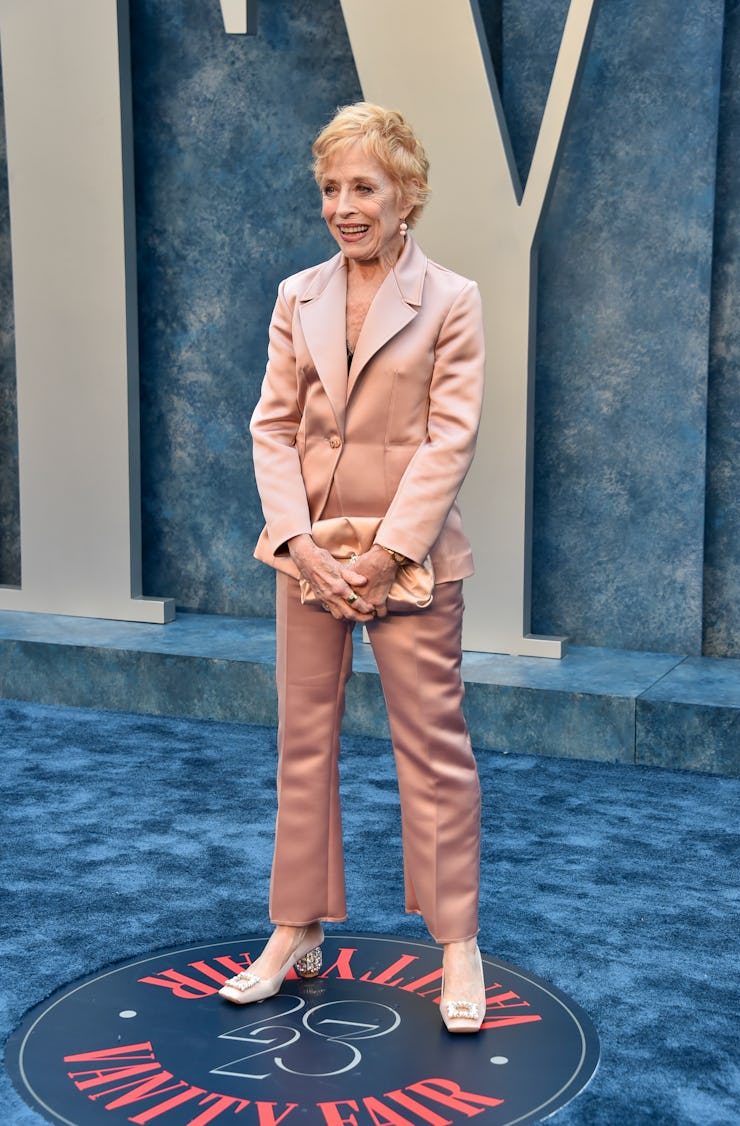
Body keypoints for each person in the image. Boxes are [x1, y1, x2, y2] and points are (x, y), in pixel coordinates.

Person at [219, 103, 486, 1032]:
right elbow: (273, 427)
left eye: (363, 187)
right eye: (331, 188)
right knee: (303, 750)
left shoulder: (451, 299)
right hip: (309, 562)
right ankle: (295, 930)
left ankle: (458, 944)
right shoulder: (298, 294)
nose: (344, 206)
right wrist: (297, 544)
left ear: (405, 194)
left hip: (408, 563)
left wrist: (382, 555)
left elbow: (450, 440)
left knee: (434, 754)